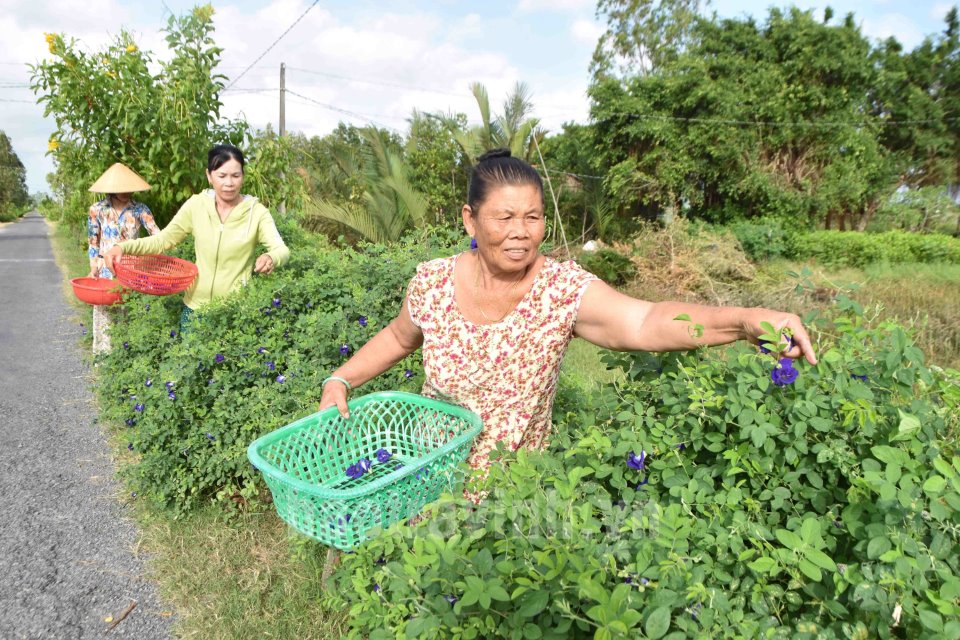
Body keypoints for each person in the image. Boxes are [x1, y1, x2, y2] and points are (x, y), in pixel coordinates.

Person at [319, 148, 818, 474]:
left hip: (515, 492)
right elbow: (398, 337)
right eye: (505, 217)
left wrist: (745, 320)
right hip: (424, 470)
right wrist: (340, 379)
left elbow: (644, 322)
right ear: (470, 217)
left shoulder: (560, 289)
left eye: (533, 217)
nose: (521, 231)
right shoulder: (432, 280)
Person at [103, 144, 290, 328]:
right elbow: (163, 239)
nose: (229, 183)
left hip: (236, 312)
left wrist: (271, 257)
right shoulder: (196, 205)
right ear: (209, 176)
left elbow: (281, 249)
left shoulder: (256, 213)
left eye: (235, 175)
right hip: (195, 310)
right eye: (221, 175)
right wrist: (123, 247)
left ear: (243, 176)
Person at [87, 163, 161, 354]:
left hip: (131, 268)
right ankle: (104, 357)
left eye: (129, 188)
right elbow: (93, 240)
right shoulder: (98, 209)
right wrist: (93, 266)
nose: (126, 192)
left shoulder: (140, 209)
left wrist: (157, 257)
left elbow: (157, 235)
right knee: (104, 310)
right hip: (105, 267)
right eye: (121, 188)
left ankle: (126, 356)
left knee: (129, 309)